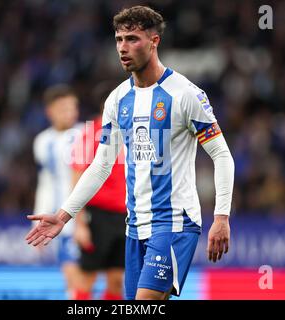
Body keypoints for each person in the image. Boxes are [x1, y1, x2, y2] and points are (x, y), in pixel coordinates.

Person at [26, 6, 235, 300]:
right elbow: (100, 166)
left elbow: (222, 155)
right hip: (134, 227)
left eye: (132, 39)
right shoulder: (118, 99)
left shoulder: (186, 95)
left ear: (154, 41)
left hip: (174, 223)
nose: (123, 48)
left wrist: (221, 216)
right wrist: (64, 216)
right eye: (119, 39)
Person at [71, 83, 127, 300]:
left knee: (116, 280)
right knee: (87, 276)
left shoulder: (134, 134)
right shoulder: (91, 133)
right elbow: (77, 177)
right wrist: (80, 223)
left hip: (126, 216)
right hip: (97, 214)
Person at [31, 84, 84, 300]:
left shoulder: (88, 134)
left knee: (107, 276)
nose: (70, 113)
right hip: (63, 222)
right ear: (49, 111)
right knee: (71, 276)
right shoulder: (42, 142)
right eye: (63, 108)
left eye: (73, 107)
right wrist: (37, 221)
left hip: (90, 217)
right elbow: (46, 183)